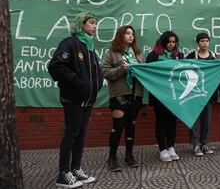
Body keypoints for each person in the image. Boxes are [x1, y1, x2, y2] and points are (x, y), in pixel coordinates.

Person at [48, 12, 104, 188]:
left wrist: (97, 83)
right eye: (92, 23)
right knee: (71, 134)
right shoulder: (70, 43)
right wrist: (78, 83)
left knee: (80, 135)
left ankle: (76, 169)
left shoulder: (89, 46)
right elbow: (56, 66)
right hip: (73, 98)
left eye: (96, 23)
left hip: (87, 100)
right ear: (81, 25)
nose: (95, 26)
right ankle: (63, 174)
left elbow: (95, 73)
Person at [102, 25, 144, 171]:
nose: (131, 36)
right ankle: (112, 158)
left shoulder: (138, 55)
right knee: (118, 126)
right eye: (127, 33)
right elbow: (105, 72)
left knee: (130, 126)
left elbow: (144, 73)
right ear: (121, 35)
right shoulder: (112, 54)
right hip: (119, 96)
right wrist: (122, 69)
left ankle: (129, 156)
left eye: (132, 34)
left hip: (136, 95)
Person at [146, 31, 183, 162]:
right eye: (169, 42)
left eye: (174, 42)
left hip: (173, 94)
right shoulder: (154, 55)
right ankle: (163, 149)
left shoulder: (178, 55)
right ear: (163, 41)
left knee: (172, 121)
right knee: (161, 121)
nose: (172, 44)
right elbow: (148, 72)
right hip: (159, 95)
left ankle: (171, 147)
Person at [186, 33, 217, 156]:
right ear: (198, 43)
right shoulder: (191, 56)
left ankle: (204, 144)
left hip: (208, 93)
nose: (204, 43)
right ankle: (195, 145)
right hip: (194, 94)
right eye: (202, 41)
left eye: (206, 40)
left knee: (206, 120)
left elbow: (216, 74)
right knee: (194, 120)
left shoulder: (214, 56)